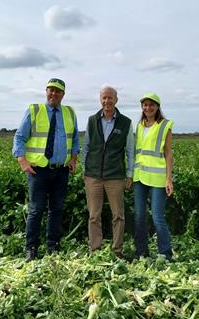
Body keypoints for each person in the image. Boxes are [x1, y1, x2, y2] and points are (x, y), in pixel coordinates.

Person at [12, 78, 79, 261]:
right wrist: (22, 161)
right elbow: (19, 137)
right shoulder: (34, 110)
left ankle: (53, 247)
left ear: (63, 95)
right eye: (50, 90)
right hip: (38, 171)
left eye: (57, 91)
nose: (53, 94)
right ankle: (31, 248)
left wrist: (73, 158)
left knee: (57, 209)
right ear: (46, 91)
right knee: (36, 210)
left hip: (61, 170)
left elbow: (75, 140)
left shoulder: (69, 113)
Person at [82, 86, 134, 258]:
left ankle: (117, 251)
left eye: (110, 98)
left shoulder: (125, 123)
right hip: (93, 176)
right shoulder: (92, 120)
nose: (107, 101)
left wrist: (129, 174)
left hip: (116, 176)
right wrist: (84, 170)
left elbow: (130, 151)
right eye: (104, 98)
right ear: (100, 100)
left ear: (116, 100)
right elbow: (87, 146)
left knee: (118, 215)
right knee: (93, 215)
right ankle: (95, 251)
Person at [133, 92, 174, 261]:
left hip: (157, 177)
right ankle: (141, 252)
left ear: (157, 107)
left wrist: (169, 178)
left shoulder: (165, 125)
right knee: (139, 216)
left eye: (151, 105)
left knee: (157, 217)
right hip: (139, 176)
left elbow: (168, 153)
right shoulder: (139, 126)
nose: (148, 108)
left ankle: (165, 254)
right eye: (145, 105)